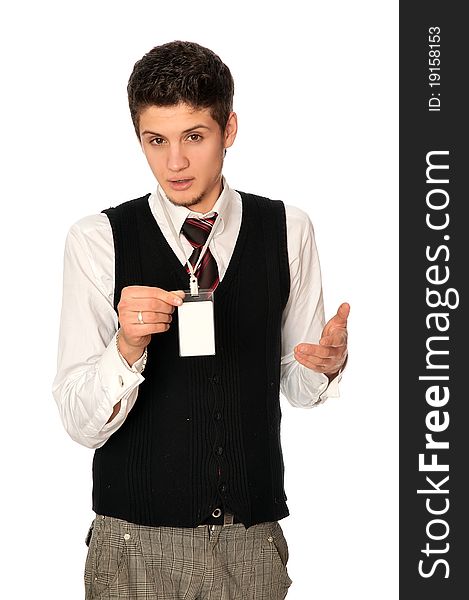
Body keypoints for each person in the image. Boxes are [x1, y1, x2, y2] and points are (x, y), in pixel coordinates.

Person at [52, 40, 349, 600]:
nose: (175, 163)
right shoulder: (97, 241)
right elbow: (79, 422)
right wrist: (127, 346)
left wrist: (325, 366)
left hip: (250, 545)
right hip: (132, 548)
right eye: (155, 141)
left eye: (194, 136)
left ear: (229, 128)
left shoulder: (288, 229)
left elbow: (301, 387)